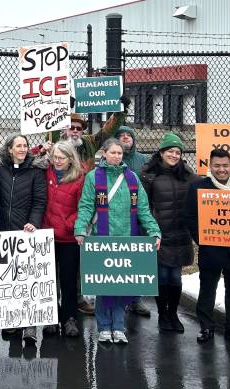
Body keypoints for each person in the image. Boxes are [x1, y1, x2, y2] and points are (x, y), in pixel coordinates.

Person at [44, 100, 129, 315]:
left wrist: (120, 110)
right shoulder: (56, 143)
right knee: (56, 264)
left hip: (84, 206)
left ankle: (78, 298)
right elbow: (51, 129)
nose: (74, 131)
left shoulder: (89, 143)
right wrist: (62, 109)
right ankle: (54, 301)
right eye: (71, 127)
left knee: (78, 260)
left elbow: (109, 129)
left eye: (79, 128)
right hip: (57, 211)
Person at [74, 138, 161, 345]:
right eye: (112, 152)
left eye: (119, 153)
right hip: (102, 240)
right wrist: (80, 229)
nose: (116, 156)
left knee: (123, 285)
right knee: (105, 285)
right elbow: (86, 206)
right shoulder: (94, 177)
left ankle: (119, 326)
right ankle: (104, 327)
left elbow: (143, 209)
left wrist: (154, 231)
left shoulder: (132, 178)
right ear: (104, 153)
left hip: (127, 240)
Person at [182, 148, 230, 346]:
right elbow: (189, 217)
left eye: (225, 165)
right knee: (207, 289)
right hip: (210, 249)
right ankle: (206, 327)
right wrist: (203, 239)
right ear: (210, 167)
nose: (221, 169)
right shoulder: (198, 188)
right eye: (217, 166)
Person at [140, 133, 197, 333]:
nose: (174, 155)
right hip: (159, 233)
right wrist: (148, 230)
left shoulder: (187, 174)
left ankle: (173, 313)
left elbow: (202, 192)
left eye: (177, 152)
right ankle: (162, 314)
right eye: (170, 151)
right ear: (161, 152)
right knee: (162, 276)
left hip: (181, 233)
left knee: (176, 278)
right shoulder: (149, 175)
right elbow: (143, 205)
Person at [0, 134, 47, 344]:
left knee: (28, 279)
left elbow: (39, 201)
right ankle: (12, 319)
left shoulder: (35, 172)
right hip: (4, 230)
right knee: (9, 278)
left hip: (26, 230)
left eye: (25, 145)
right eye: (18, 146)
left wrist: (33, 222)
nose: (23, 149)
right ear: (9, 149)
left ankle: (30, 325)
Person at [41, 141, 85, 338]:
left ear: (70, 159)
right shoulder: (46, 172)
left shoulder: (79, 178)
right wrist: (40, 149)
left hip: (68, 238)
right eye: (54, 157)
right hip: (46, 235)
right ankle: (51, 318)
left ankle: (70, 318)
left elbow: (83, 207)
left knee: (68, 280)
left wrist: (68, 224)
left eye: (61, 158)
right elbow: (27, 159)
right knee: (49, 280)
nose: (57, 161)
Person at [116, 125, 153, 318]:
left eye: (128, 135)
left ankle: (135, 299)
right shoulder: (113, 158)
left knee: (137, 259)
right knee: (118, 259)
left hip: (139, 215)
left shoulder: (144, 160)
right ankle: (117, 297)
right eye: (121, 135)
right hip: (117, 217)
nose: (125, 138)